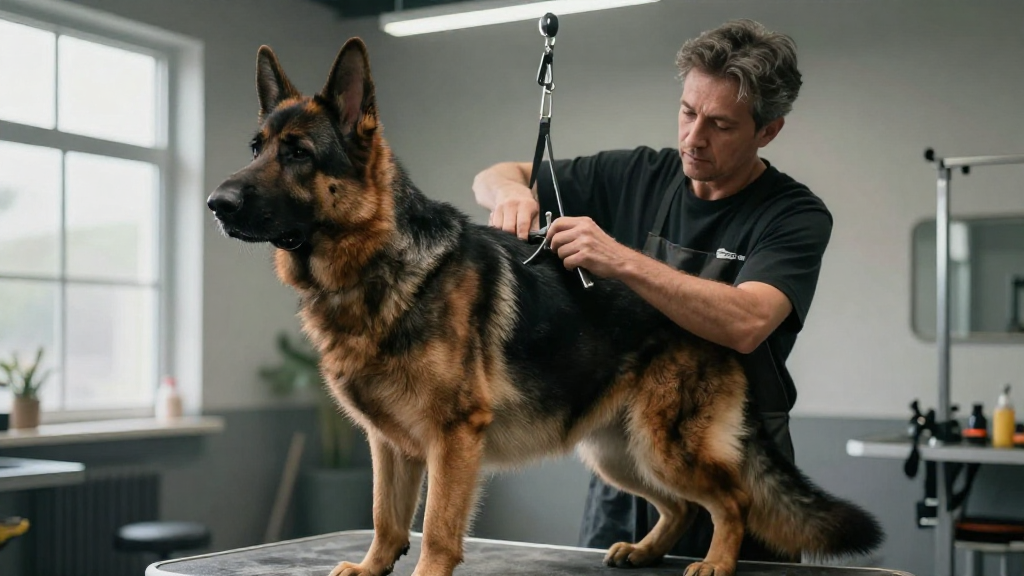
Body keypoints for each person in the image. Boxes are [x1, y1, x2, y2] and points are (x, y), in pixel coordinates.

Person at [471, 19, 832, 562]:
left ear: (768, 131)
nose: (693, 137)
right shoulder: (639, 173)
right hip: (623, 459)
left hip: (730, 458)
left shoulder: (793, 214)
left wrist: (621, 260)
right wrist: (511, 196)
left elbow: (748, 320)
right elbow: (496, 173)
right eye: (688, 112)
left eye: (720, 125)